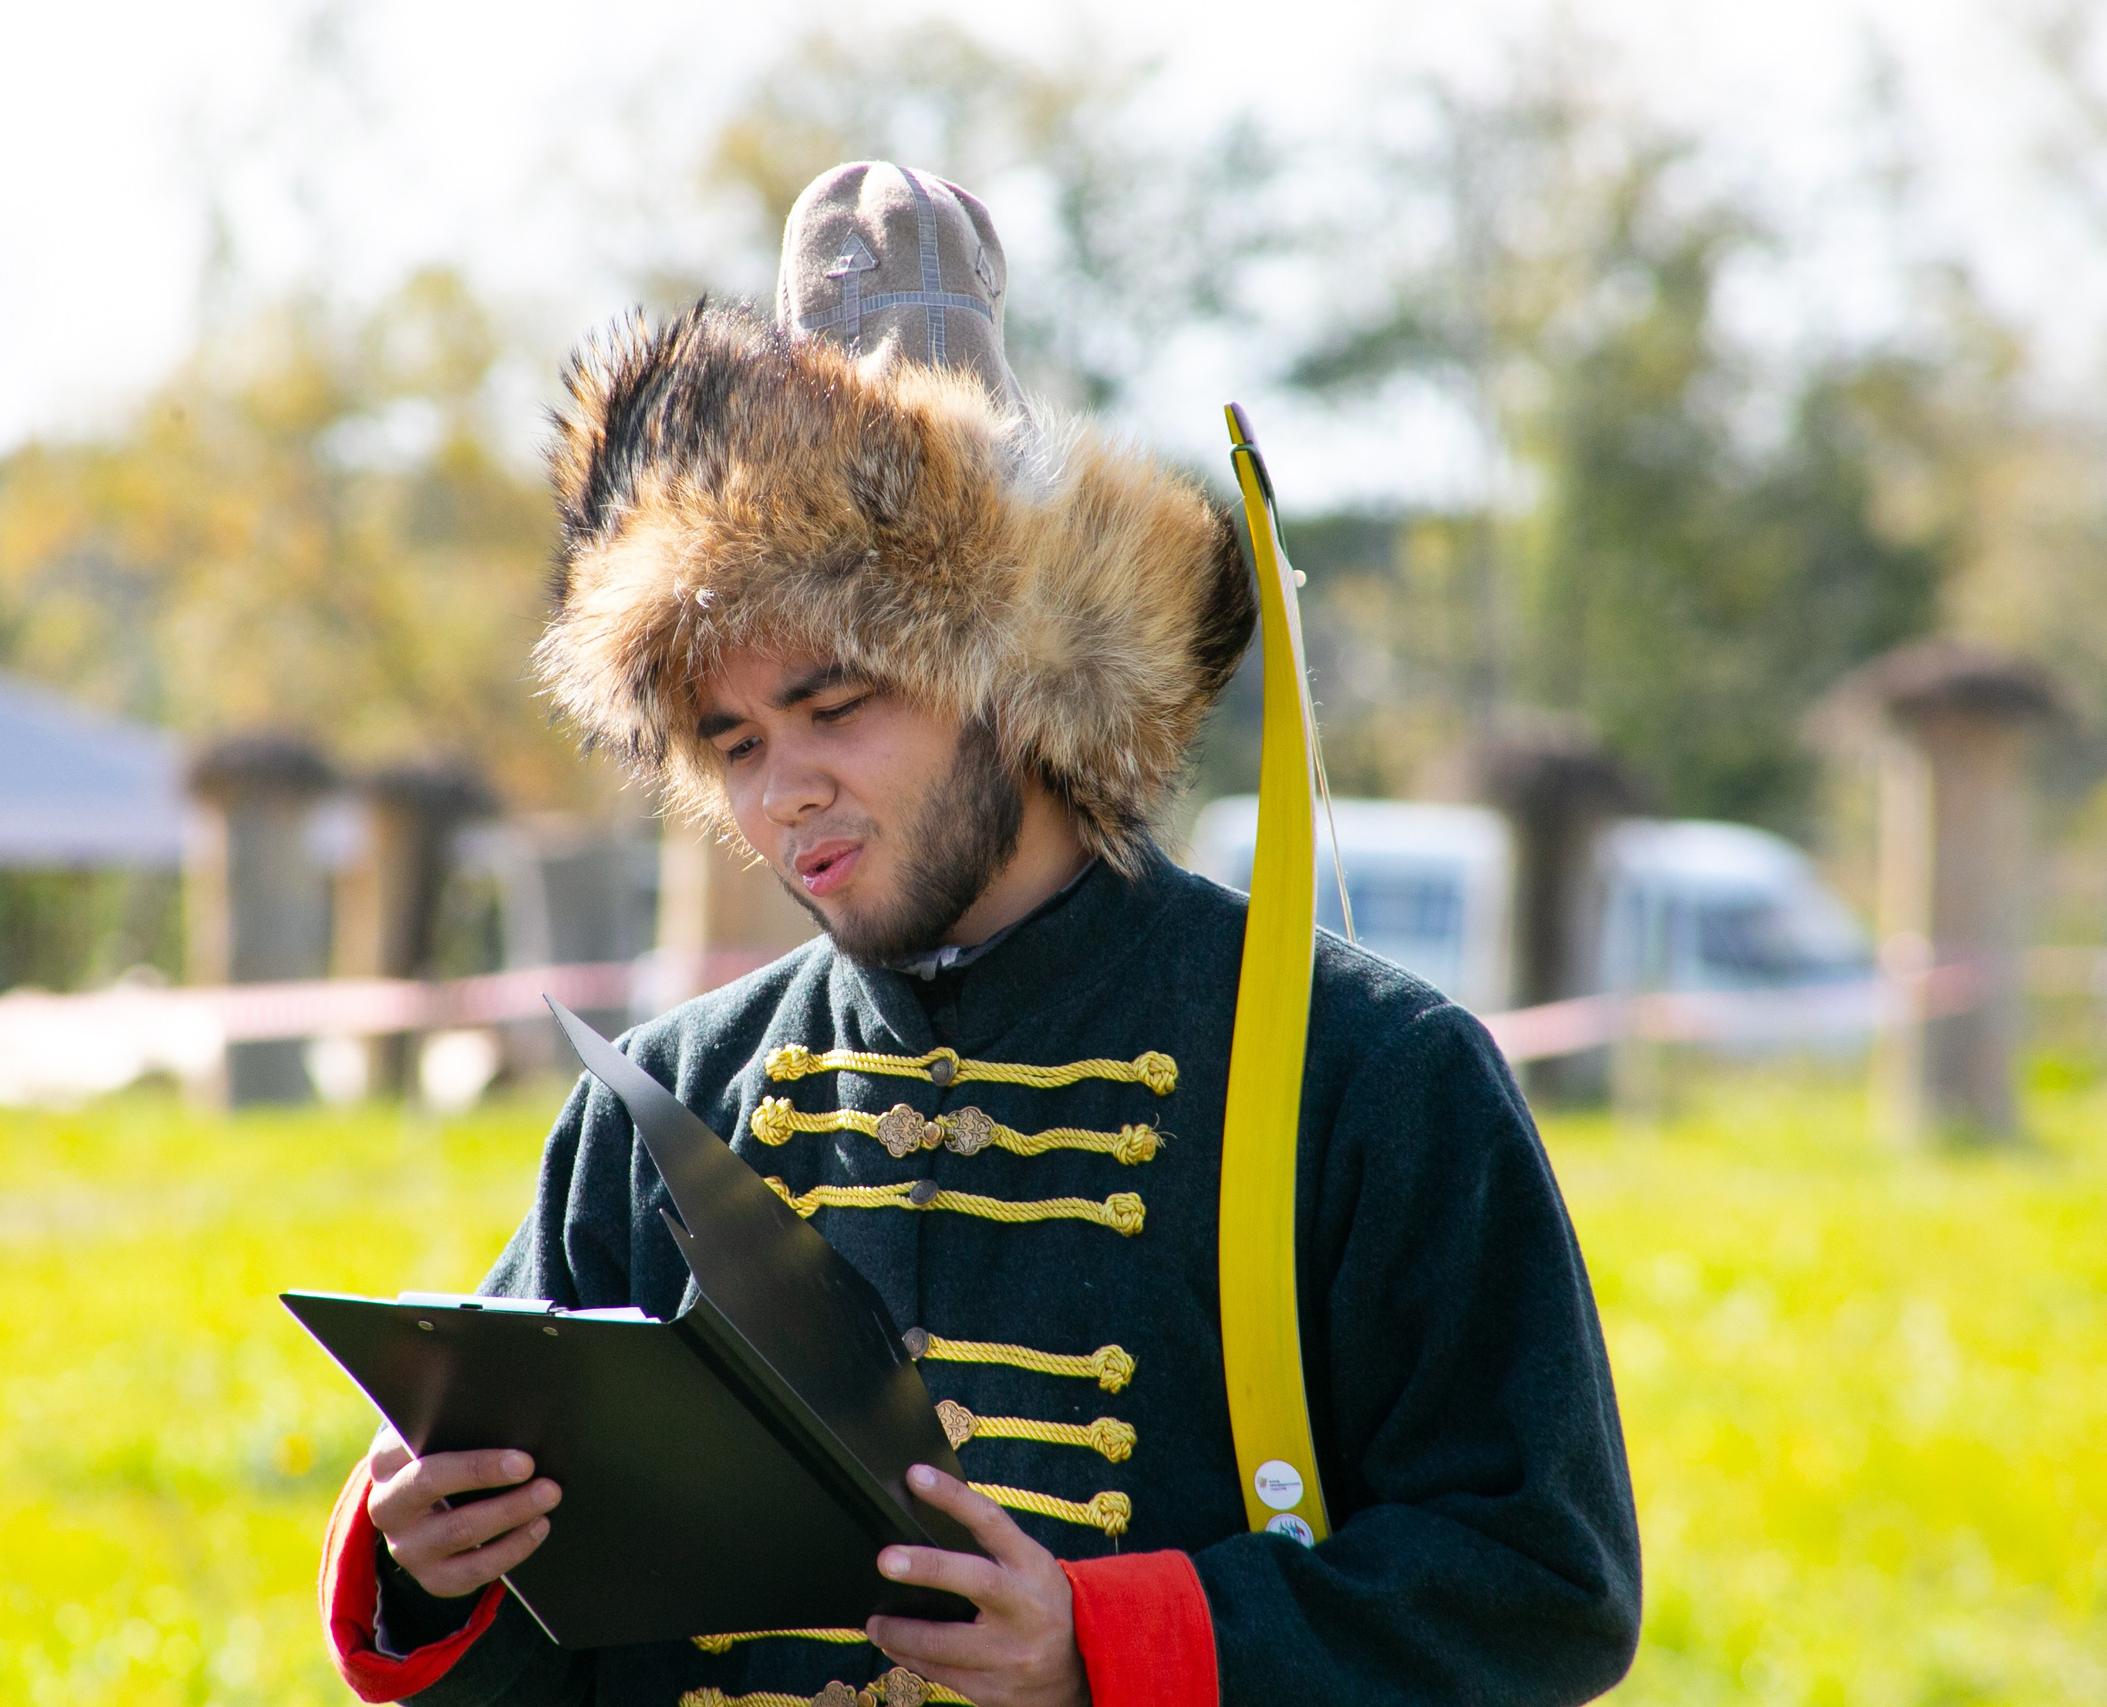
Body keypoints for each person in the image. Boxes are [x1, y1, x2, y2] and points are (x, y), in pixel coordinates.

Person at [316, 161, 1641, 1707]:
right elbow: (544, 1613)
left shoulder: (1381, 1077)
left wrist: (1107, 1648)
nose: (783, 788)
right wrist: (428, 1566)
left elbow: (1538, 1587)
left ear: (1011, 671)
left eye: (835, 704)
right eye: (732, 740)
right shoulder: (662, 1106)